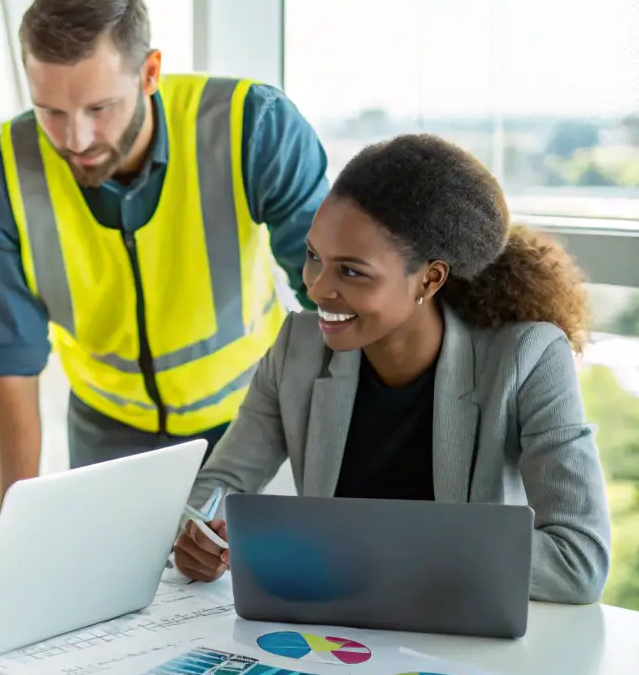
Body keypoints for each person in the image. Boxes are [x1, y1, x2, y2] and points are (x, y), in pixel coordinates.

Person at [172, 134, 611, 605]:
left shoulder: (527, 356)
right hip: (332, 630)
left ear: (429, 278)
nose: (318, 289)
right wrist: (199, 536)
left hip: (458, 636)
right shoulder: (297, 348)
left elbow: (578, 560)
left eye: (352, 271)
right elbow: (218, 490)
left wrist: (371, 545)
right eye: (314, 257)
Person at [0, 0, 330, 501]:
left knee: (247, 580)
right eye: (51, 113)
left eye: (98, 108)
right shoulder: (5, 172)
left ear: (150, 72)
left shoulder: (253, 124)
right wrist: (16, 519)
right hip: (104, 431)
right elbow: (10, 363)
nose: (76, 140)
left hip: (248, 418)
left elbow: (329, 294)